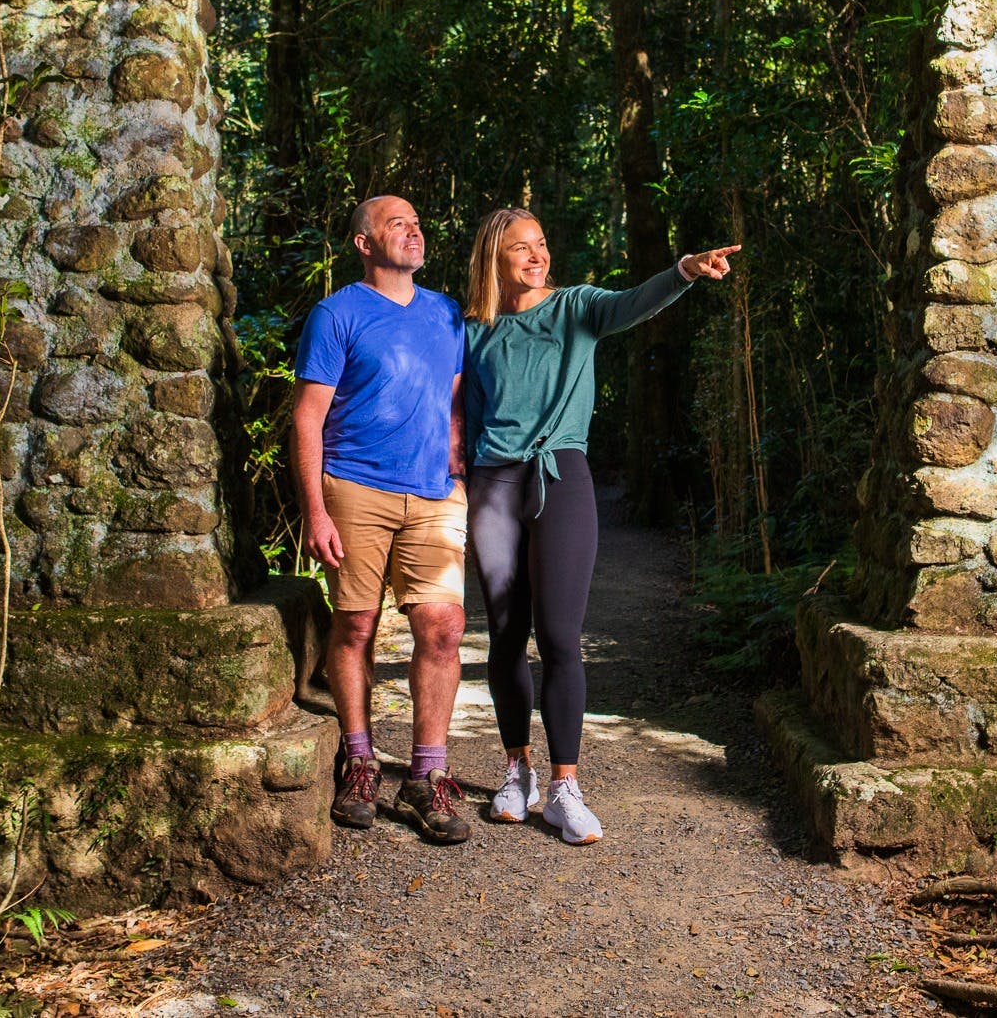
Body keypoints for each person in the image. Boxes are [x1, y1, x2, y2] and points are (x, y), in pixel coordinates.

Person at [463, 207, 738, 844]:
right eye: (521, 249)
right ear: (493, 259)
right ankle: (516, 772)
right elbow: (464, 413)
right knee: (505, 634)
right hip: (494, 483)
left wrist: (684, 272)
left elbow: (633, 303)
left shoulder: (577, 306)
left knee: (560, 634)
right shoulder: (471, 328)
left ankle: (564, 787)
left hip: (560, 475)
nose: (537, 257)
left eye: (541, 244)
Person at [292, 196, 472, 845]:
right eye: (398, 223)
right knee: (356, 624)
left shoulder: (446, 311)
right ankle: (360, 758)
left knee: (443, 626)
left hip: (433, 494)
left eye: (418, 221)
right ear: (365, 243)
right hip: (354, 488)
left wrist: (456, 458)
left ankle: (427, 774)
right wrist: (315, 509)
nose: (414, 230)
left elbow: (453, 396)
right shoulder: (336, 313)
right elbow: (308, 415)